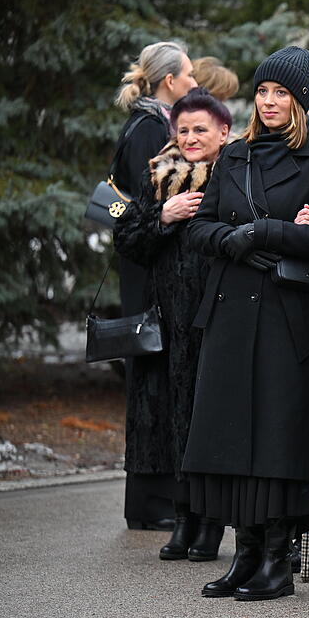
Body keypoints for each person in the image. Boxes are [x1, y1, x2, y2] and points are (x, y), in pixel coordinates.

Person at [182, 46, 309, 601]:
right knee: (228, 434)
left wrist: (263, 233)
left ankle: (277, 558)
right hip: (229, 311)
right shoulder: (235, 156)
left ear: (301, 100)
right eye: (264, 92)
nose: (269, 101)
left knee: (277, 436)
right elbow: (199, 228)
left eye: (281, 93)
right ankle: (244, 553)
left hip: (287, 315)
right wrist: (235, 239)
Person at [114, 88, 231, 561]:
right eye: (182, 129)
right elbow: (126, 238)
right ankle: (182, 519)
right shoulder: (159, 175)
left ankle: (210, 523)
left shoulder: (236, 172)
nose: (190, 138)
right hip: (166, 321)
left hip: (215, 319)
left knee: (208, 423)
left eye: (200, 129)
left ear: (223, 131)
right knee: (172, 424)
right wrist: (162, 216)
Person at [113, 40, 198, 531]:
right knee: (151, 387)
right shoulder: (150, 131)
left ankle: (155, 499)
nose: (193, 81)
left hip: (148, 271)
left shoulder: (146, 124)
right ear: (169, 81)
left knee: (155, 384)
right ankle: (150, 501)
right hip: (150, 277)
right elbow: (142, 207)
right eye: (187, 74)